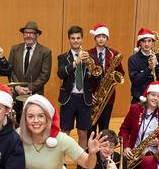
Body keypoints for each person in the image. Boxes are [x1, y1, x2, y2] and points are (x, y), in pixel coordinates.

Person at [119, 81, 159, 169]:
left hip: (156, 154)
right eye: (153, 95)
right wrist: (126, 147)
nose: (155, 98)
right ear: (147, 95)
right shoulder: (135, 109)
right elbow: (124, 129)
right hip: (135, 153)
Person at [57, 26, 93, 154]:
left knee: (83, 133)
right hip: (69, 98)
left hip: (84, 99)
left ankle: (81, 163)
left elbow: (97, 76)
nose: (76, 41)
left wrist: (91, 66)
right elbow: (61, 74)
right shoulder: (63, 57)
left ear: (82, 39)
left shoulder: (90, 56)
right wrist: (75, 62)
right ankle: (62, 162)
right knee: (65, 132)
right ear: (69, 40)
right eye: (73, 38)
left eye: (78, 38)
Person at [8, 21, 52, 123]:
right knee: (17, 123)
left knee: (32, 123)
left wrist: (29, 88)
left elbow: (44, 75)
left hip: (35, 94)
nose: (28, 35)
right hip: (16, 94)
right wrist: (17, 87)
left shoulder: (45, 52)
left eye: (31, 33)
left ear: (37, 35)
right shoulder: (15, 49)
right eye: (26, 33)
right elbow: (10, 70)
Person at [87, 24, 125, 132]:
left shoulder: (114, 54)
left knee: (104, 127)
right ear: (95, 38)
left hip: (108, 97)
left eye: (104, 36)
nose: (101, 39)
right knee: (90, 127)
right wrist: (89, 93)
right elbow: (84, 77)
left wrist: (113, 77)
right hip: (93, 96)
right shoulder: (88, 54)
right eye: (98, 36)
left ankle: (103, 149)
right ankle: (91, 149)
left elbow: (121, 73)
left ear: (107, 38)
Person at [128, 28, 159, 104]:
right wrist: (149, 68)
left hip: (156, 97)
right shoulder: (133, 59)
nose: (147, 44)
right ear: (140, 43)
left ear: (152, 42)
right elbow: (135, 81)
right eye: (144, 41)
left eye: (149, 41)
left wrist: (157, 66)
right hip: (139, 98)